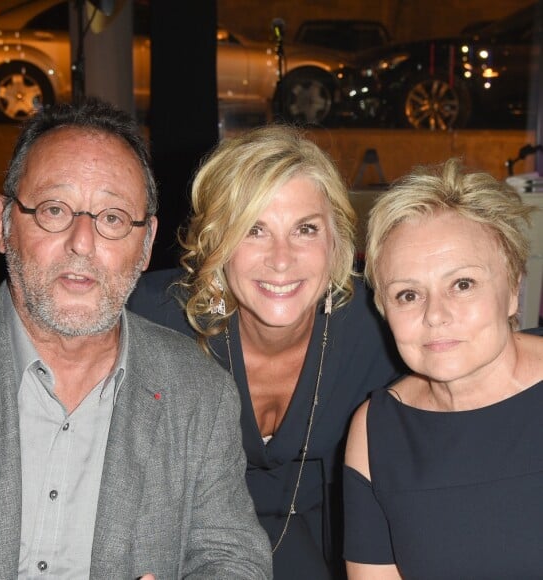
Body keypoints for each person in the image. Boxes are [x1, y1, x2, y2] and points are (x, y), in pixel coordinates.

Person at [0, 98, 272, 579]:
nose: (82, 242)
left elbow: (233, 558)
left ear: (146, 243)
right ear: (5, 224)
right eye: (54, 209)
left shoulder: (199, 393)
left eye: (111, 218)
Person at [128, 125, 403, 579]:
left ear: (336, 240)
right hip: (190, 549)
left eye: (305, 229)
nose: (281, 259)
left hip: (337, 554)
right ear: (217, 240)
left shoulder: (380, 331)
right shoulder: (148, 320)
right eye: (254, 230)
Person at [344, 158, 543, 578]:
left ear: (513, 290)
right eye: (408, 294)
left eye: (463, 284)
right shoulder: (375, 430)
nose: (435, 315)